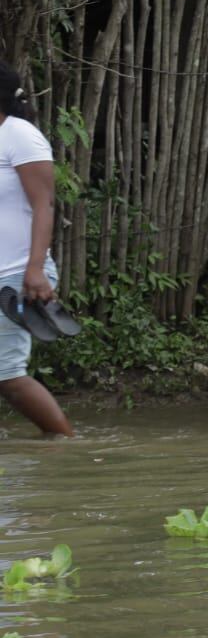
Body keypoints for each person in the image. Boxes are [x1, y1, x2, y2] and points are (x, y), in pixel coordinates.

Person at [0, 63, 72, 436]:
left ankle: (64, 444)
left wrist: (35, 268)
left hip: (15, 272)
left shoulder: (20, 136)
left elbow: (44, 205)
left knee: (7, 375)